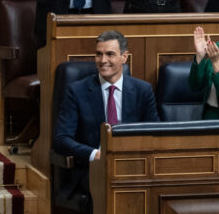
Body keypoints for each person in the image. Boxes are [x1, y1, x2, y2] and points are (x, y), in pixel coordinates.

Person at [53, 30, 159, 201]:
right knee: (116, 187)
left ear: (124, 57)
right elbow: (61, 139)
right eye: (98, 54)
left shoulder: (143, 90)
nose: (103, 61)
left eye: (110, 54)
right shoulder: (76, 91)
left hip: (132, 166)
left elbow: (155, 134)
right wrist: (95, 155)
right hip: (91, 170)